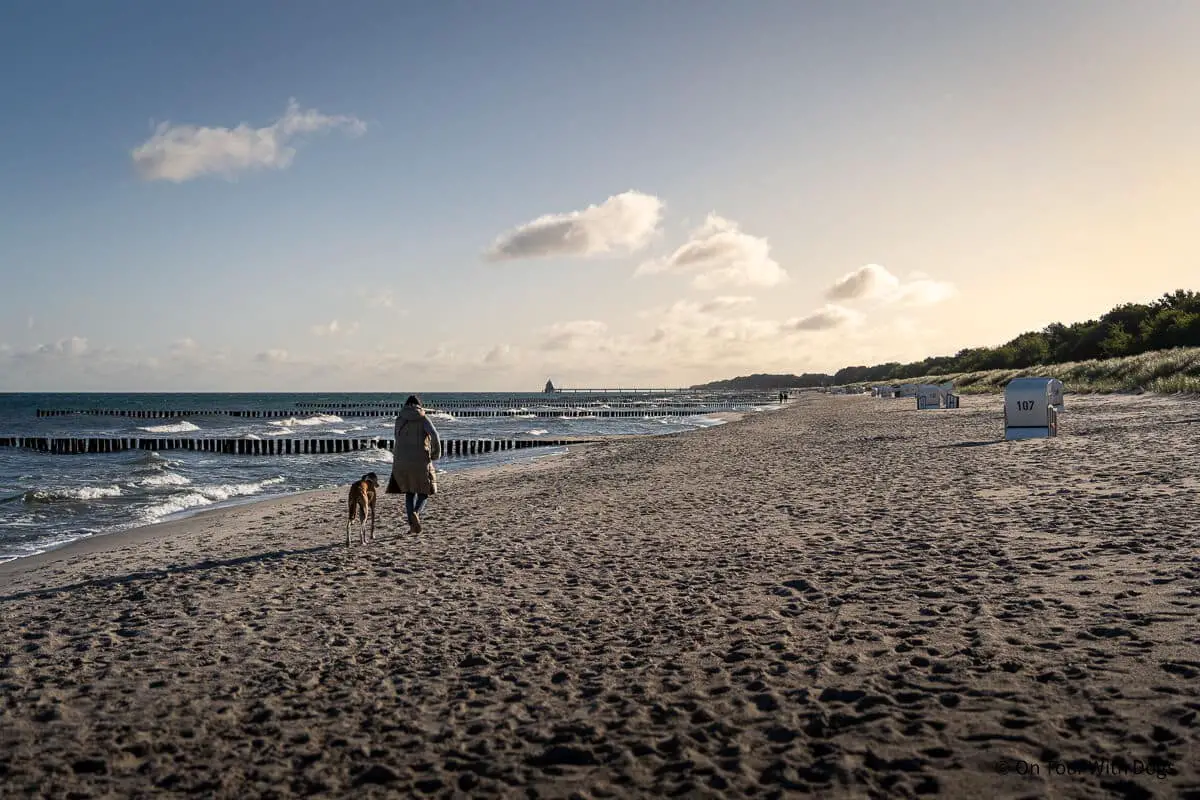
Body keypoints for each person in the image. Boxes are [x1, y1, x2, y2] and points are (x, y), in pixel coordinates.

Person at [386, 395, 441, 533]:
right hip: (420, 460)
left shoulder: (400, 420)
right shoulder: (423, 419)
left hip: (401, 461)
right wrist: (435, 454)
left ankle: (412, 525)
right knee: (424, 492)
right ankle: (416, 513)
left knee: (409, 493)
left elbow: (396, 438)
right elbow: (435, 435)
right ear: (419, 405)